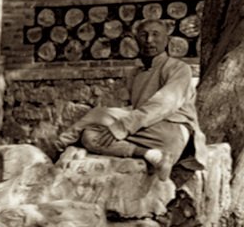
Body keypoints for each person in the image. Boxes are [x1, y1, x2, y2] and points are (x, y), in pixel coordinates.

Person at [56, 18, 207, 180]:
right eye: (143, 35)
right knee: (90, 135)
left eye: (155, 35)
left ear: (166, 40)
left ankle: (58, 145)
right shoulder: (135, 74)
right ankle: (153, 156)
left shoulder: (178, 68)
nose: (149, 40)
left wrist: (122, 126)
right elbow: (131, 109)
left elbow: (163, 105)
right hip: (145, 132)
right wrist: (117, 125)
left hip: (172, 132)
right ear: (136, 41)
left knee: (99, 115)